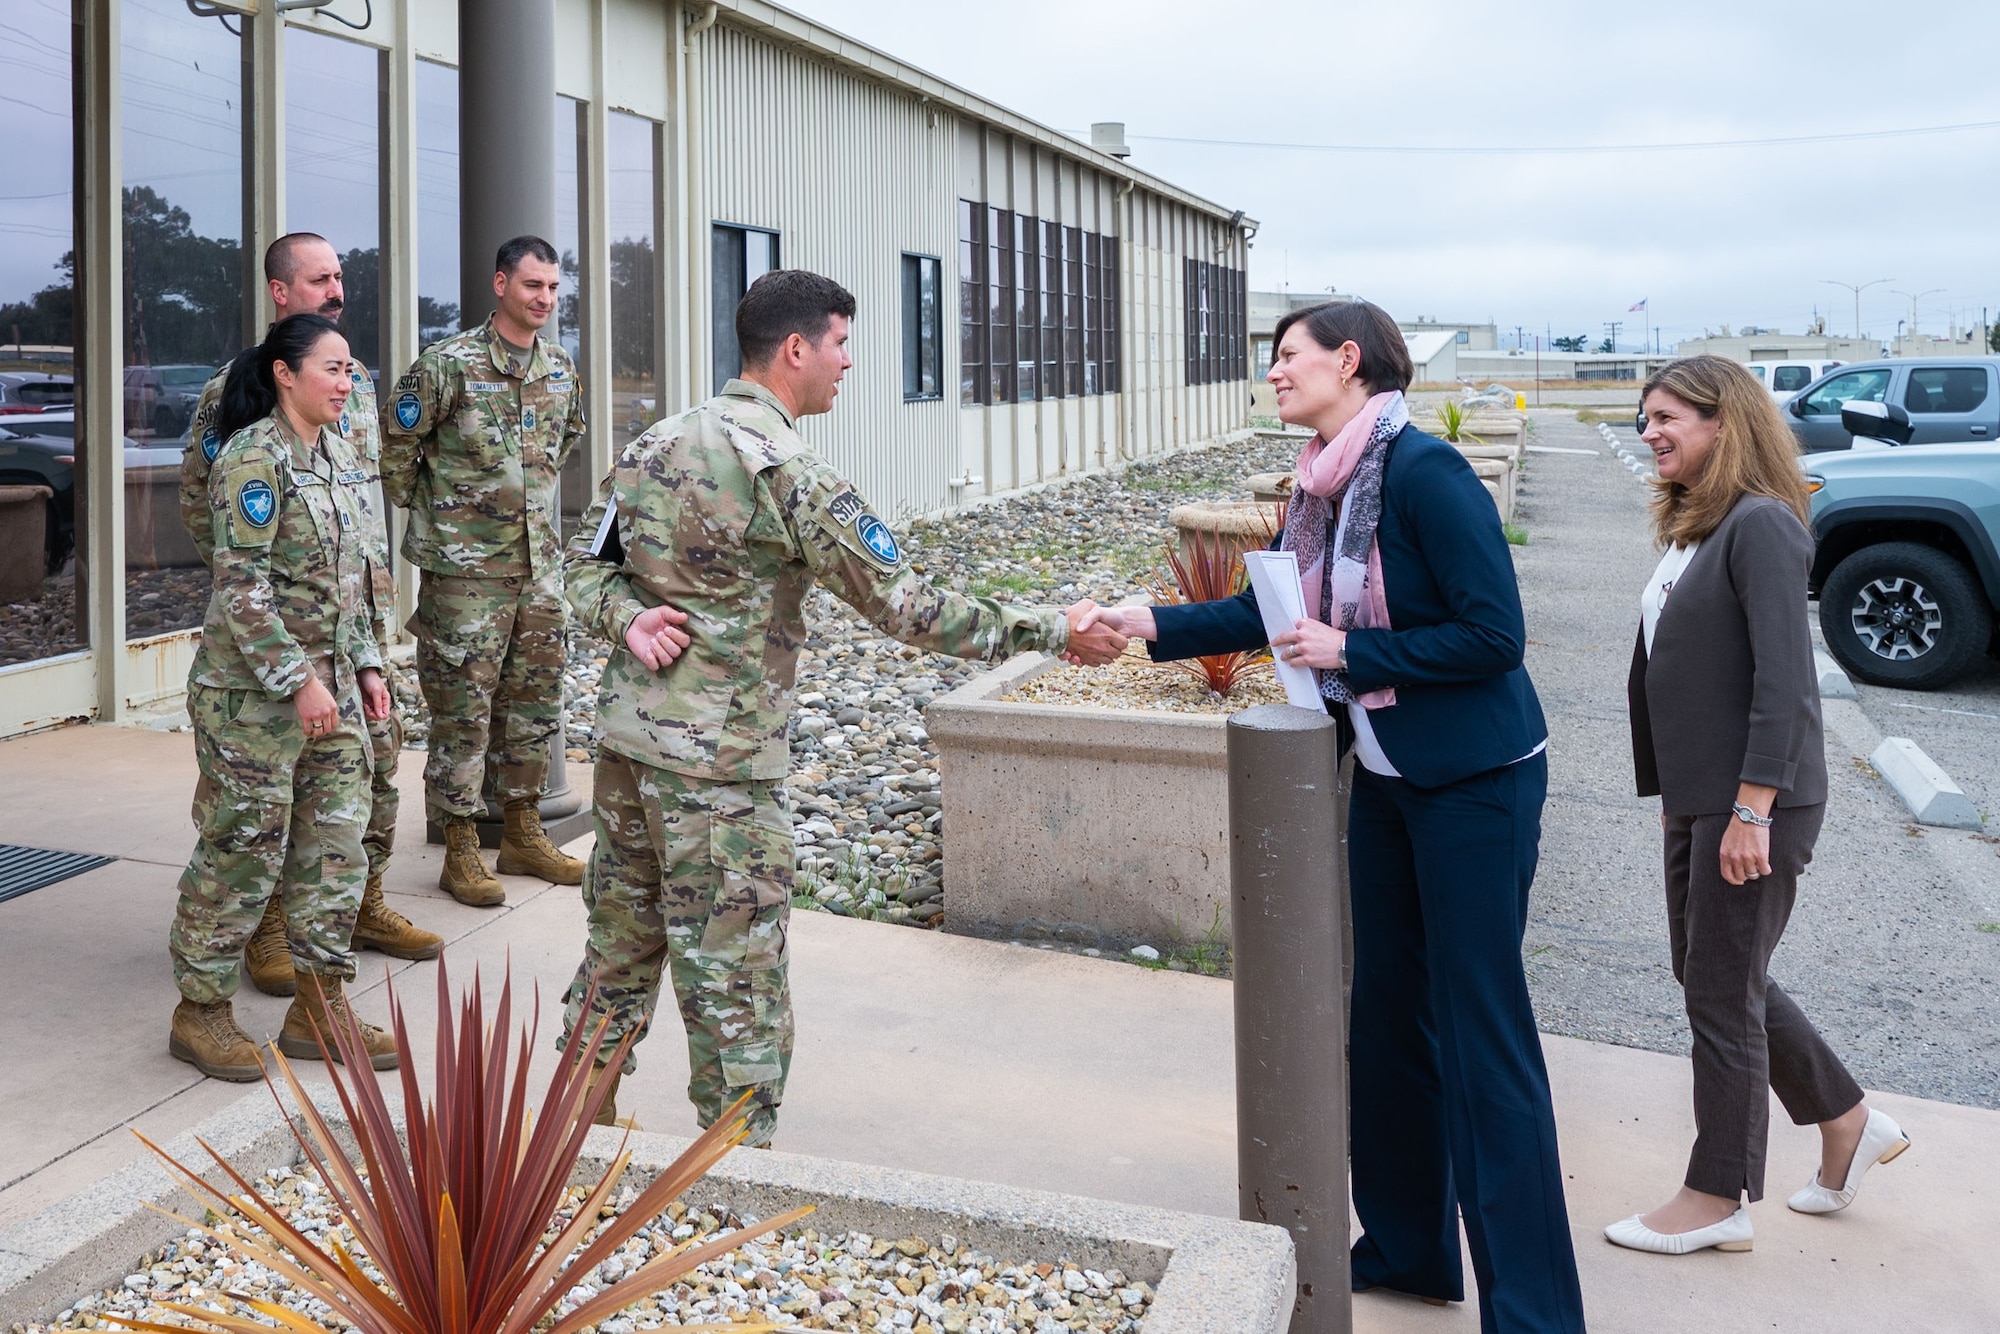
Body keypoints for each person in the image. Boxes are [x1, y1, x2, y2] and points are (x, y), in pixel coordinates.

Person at [1079, 300, 1586, 1332]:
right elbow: (1276, 614)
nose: (1271, 374)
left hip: (1475, 780)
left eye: (1286, 357)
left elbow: (1494, 635)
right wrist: (1148, 622)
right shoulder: (1320, 485)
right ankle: (1407, 1245)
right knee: (1384, 1014)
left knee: (1482, 1036)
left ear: (1347, 361)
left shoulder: (1425, 475)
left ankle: (1534, 1310)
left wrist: (1355, 653)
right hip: (1388, 779)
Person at [555, 269, 1128, 1146]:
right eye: (841, 344)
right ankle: (734, 1191)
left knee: (616, 960)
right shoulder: (788, 470)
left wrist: (627, 621)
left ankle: (557, 1157)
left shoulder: (652, 443)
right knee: (736, 991)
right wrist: (1053, 627)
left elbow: (581, 574)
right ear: (795, 350)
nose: (848, 364)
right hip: (721, 778)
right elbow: (905, 606)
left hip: (631, 754)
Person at [1604, 355, 1907, 1255]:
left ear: (1724, 422)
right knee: (1708, 974)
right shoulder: (1700, 526)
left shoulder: (1764, 525)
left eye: (1667, 417)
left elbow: (1786, 683)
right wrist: (1682, 799)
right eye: (1644, 419)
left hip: (1753, 799)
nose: (1651, 431)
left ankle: (1718, 1194)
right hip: (1703, 796)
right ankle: (1847, 1117)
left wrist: (1750, 810)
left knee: (1720, 992)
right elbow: (1683, 670)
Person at [181, 233, 442, 997]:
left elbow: (357, 508)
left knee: (367, 786)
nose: (337, 289)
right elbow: (215, 520)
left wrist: (362, 648)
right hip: (275, 651)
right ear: (280, 293)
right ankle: (265, 930)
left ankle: (350, 914)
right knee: (256, 821)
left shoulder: (350, 385)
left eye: (340, 276)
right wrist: (273, 616)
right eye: (321, 278)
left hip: (351, 628)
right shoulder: (243, 403)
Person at [168, 313, 400, 1080]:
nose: (346, 383)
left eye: (349, 371)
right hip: (252, 703)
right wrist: (298, 680)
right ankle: (199, 1011)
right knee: (243, 853)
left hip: (328, 693)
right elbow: (243, 590)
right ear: (284, 374)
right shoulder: (252, 460)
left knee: (334, 851)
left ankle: (319, 1007)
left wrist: (365, 665)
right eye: (332, 370)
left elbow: (351, 582)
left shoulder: (332, 456)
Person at [380, 235, 587, 905]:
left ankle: (523, 832)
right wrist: (450, 524)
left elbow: (567, 442)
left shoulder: (559, 367)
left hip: (538, 573)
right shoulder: (447, 366)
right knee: (462, 714)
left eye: (554, 289)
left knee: (533, 707)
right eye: (534, 286)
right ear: (501, 285)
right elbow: (395, 456)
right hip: (465, 579)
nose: (546, 300)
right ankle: (461, 847)